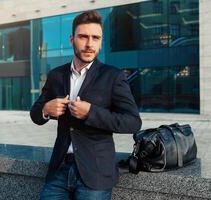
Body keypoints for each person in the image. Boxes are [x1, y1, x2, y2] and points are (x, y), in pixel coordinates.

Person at [30, 10, 142, 200]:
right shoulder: (56, 75)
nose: (90, 44)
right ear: (72, 39)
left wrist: (91, 112)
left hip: (95, 173)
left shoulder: (113, 76)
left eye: (95, 38)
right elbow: (35, 114)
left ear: (100, 42)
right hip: (59, 170)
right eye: (83, 37)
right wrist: (46, 110)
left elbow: (133, 122)